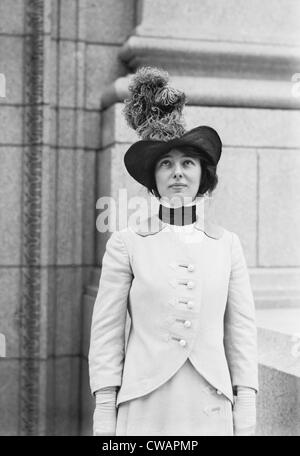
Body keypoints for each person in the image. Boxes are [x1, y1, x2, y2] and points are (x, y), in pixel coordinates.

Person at [88, 66, 259, 436]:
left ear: (203, 176)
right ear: (154, 179)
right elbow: (106, 333)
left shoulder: (227, 245)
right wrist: (105, 406)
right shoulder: (126, 243)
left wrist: (245, 404)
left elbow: (241, 331)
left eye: (187, 163)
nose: (177, 173)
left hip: (210, 406)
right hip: (144, 406)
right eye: (166, 164)